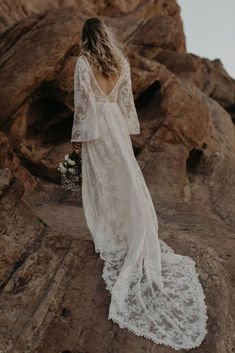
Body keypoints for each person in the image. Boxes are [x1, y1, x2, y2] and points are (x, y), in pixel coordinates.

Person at [70, 17, 208, 350]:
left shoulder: (82, 63)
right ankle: (127, 229)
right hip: (115, 124)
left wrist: (79, 137)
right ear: (106, 35)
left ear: (85, 39)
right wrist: (120, 126)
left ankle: (111, 232)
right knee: (124, 179)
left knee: (103, 182)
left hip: (97, 128)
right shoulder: (120, 63)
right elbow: (125, 104)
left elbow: (83, 103)